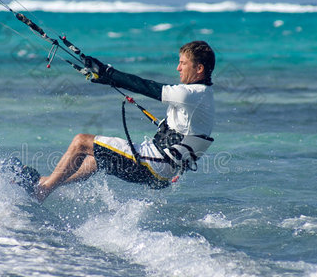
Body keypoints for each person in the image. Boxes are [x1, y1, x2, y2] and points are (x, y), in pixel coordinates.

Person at [33, 40, 215, 202]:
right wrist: (106, 78)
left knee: (81, 142)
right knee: (95, 158)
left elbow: (143, 86)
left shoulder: (190, 94)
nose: (178, 68)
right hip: (162, 172)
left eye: (183, 63)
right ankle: (47, 183)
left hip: (155, 165)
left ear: (199, 68)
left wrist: (106, 72)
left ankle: (42, 191)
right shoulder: (204, 96)